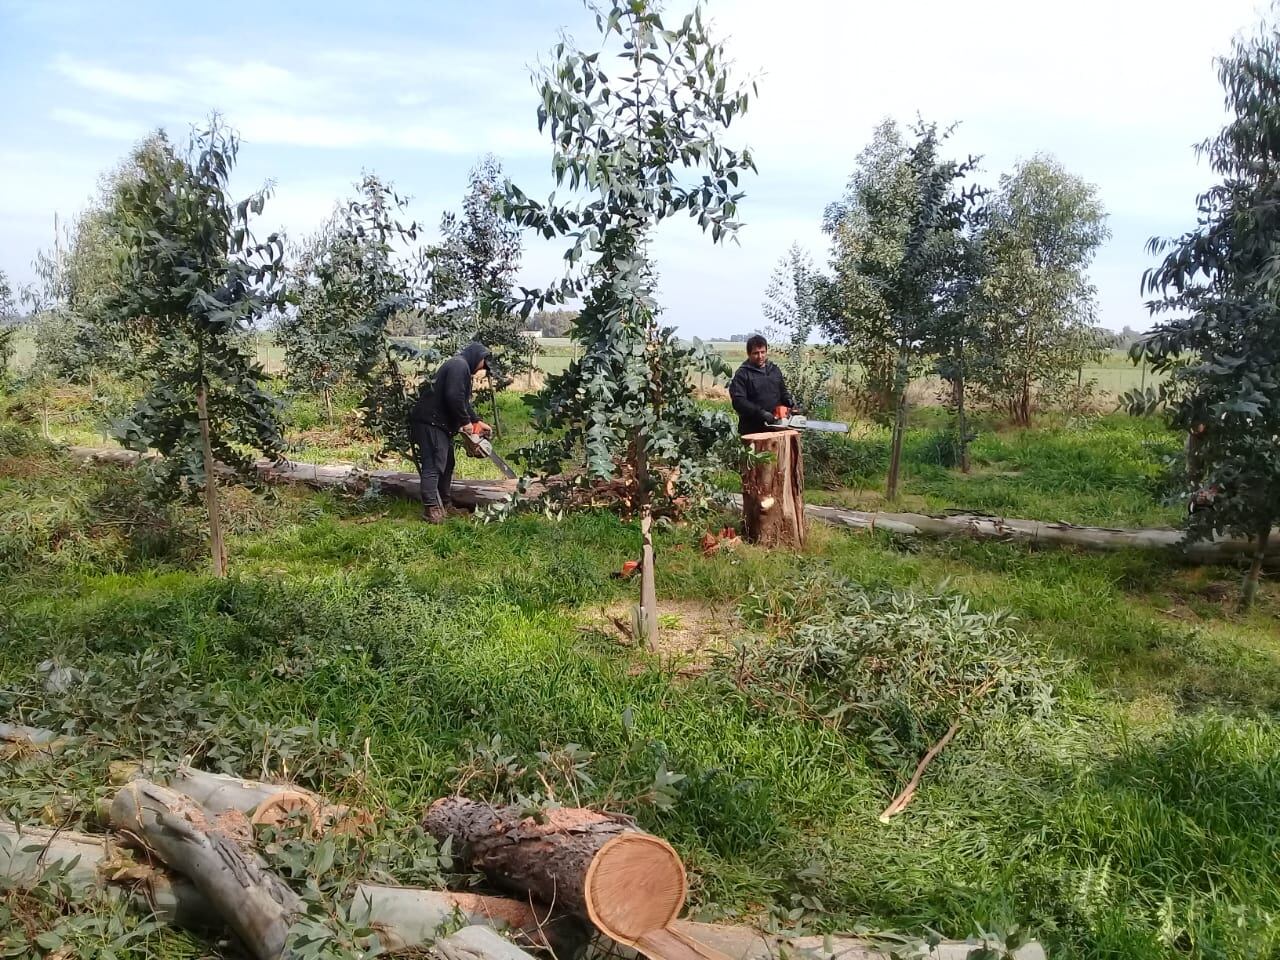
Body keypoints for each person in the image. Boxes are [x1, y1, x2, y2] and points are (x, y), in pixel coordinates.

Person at [408, 341, 493, 524]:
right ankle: (432, 509)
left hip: (438, 423)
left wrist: (476, 421)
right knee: (434, 464)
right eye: (483, 365)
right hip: (430, 422)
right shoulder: (459, 365)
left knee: (447, 463)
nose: (481, 370)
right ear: (478, 357)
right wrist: (465, 422)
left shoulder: (460, 367)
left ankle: (445, 504)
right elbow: (453, 396)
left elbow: (462, 401)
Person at [728, 334, 794, 435]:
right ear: (748, 354)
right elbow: (739, 402)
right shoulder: (742, 374)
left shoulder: (774, 370)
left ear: (766, 351)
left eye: (762, 352)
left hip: (777, 427)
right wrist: (760, 413)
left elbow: (783, 391)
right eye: (756, 353)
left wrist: (788, 401)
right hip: (752, 429)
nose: (760, 356)